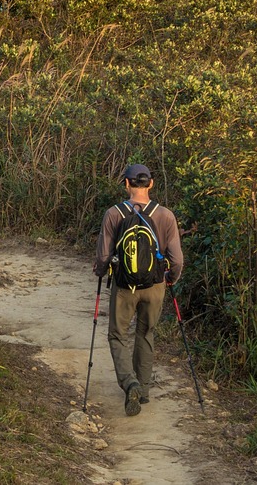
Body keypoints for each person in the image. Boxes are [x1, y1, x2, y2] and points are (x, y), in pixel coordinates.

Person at [92, 163, 184, 416]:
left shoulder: (114, 213)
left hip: (124, 286)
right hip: (155, 286)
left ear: (126, 184)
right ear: (151, 183)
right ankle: (142, 390)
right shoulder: (165, 215)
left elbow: (103, 256)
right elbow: (176, 259)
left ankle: (128, 382)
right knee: (146, 332)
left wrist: (100, 272)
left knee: (117, 335)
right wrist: (170, 278)